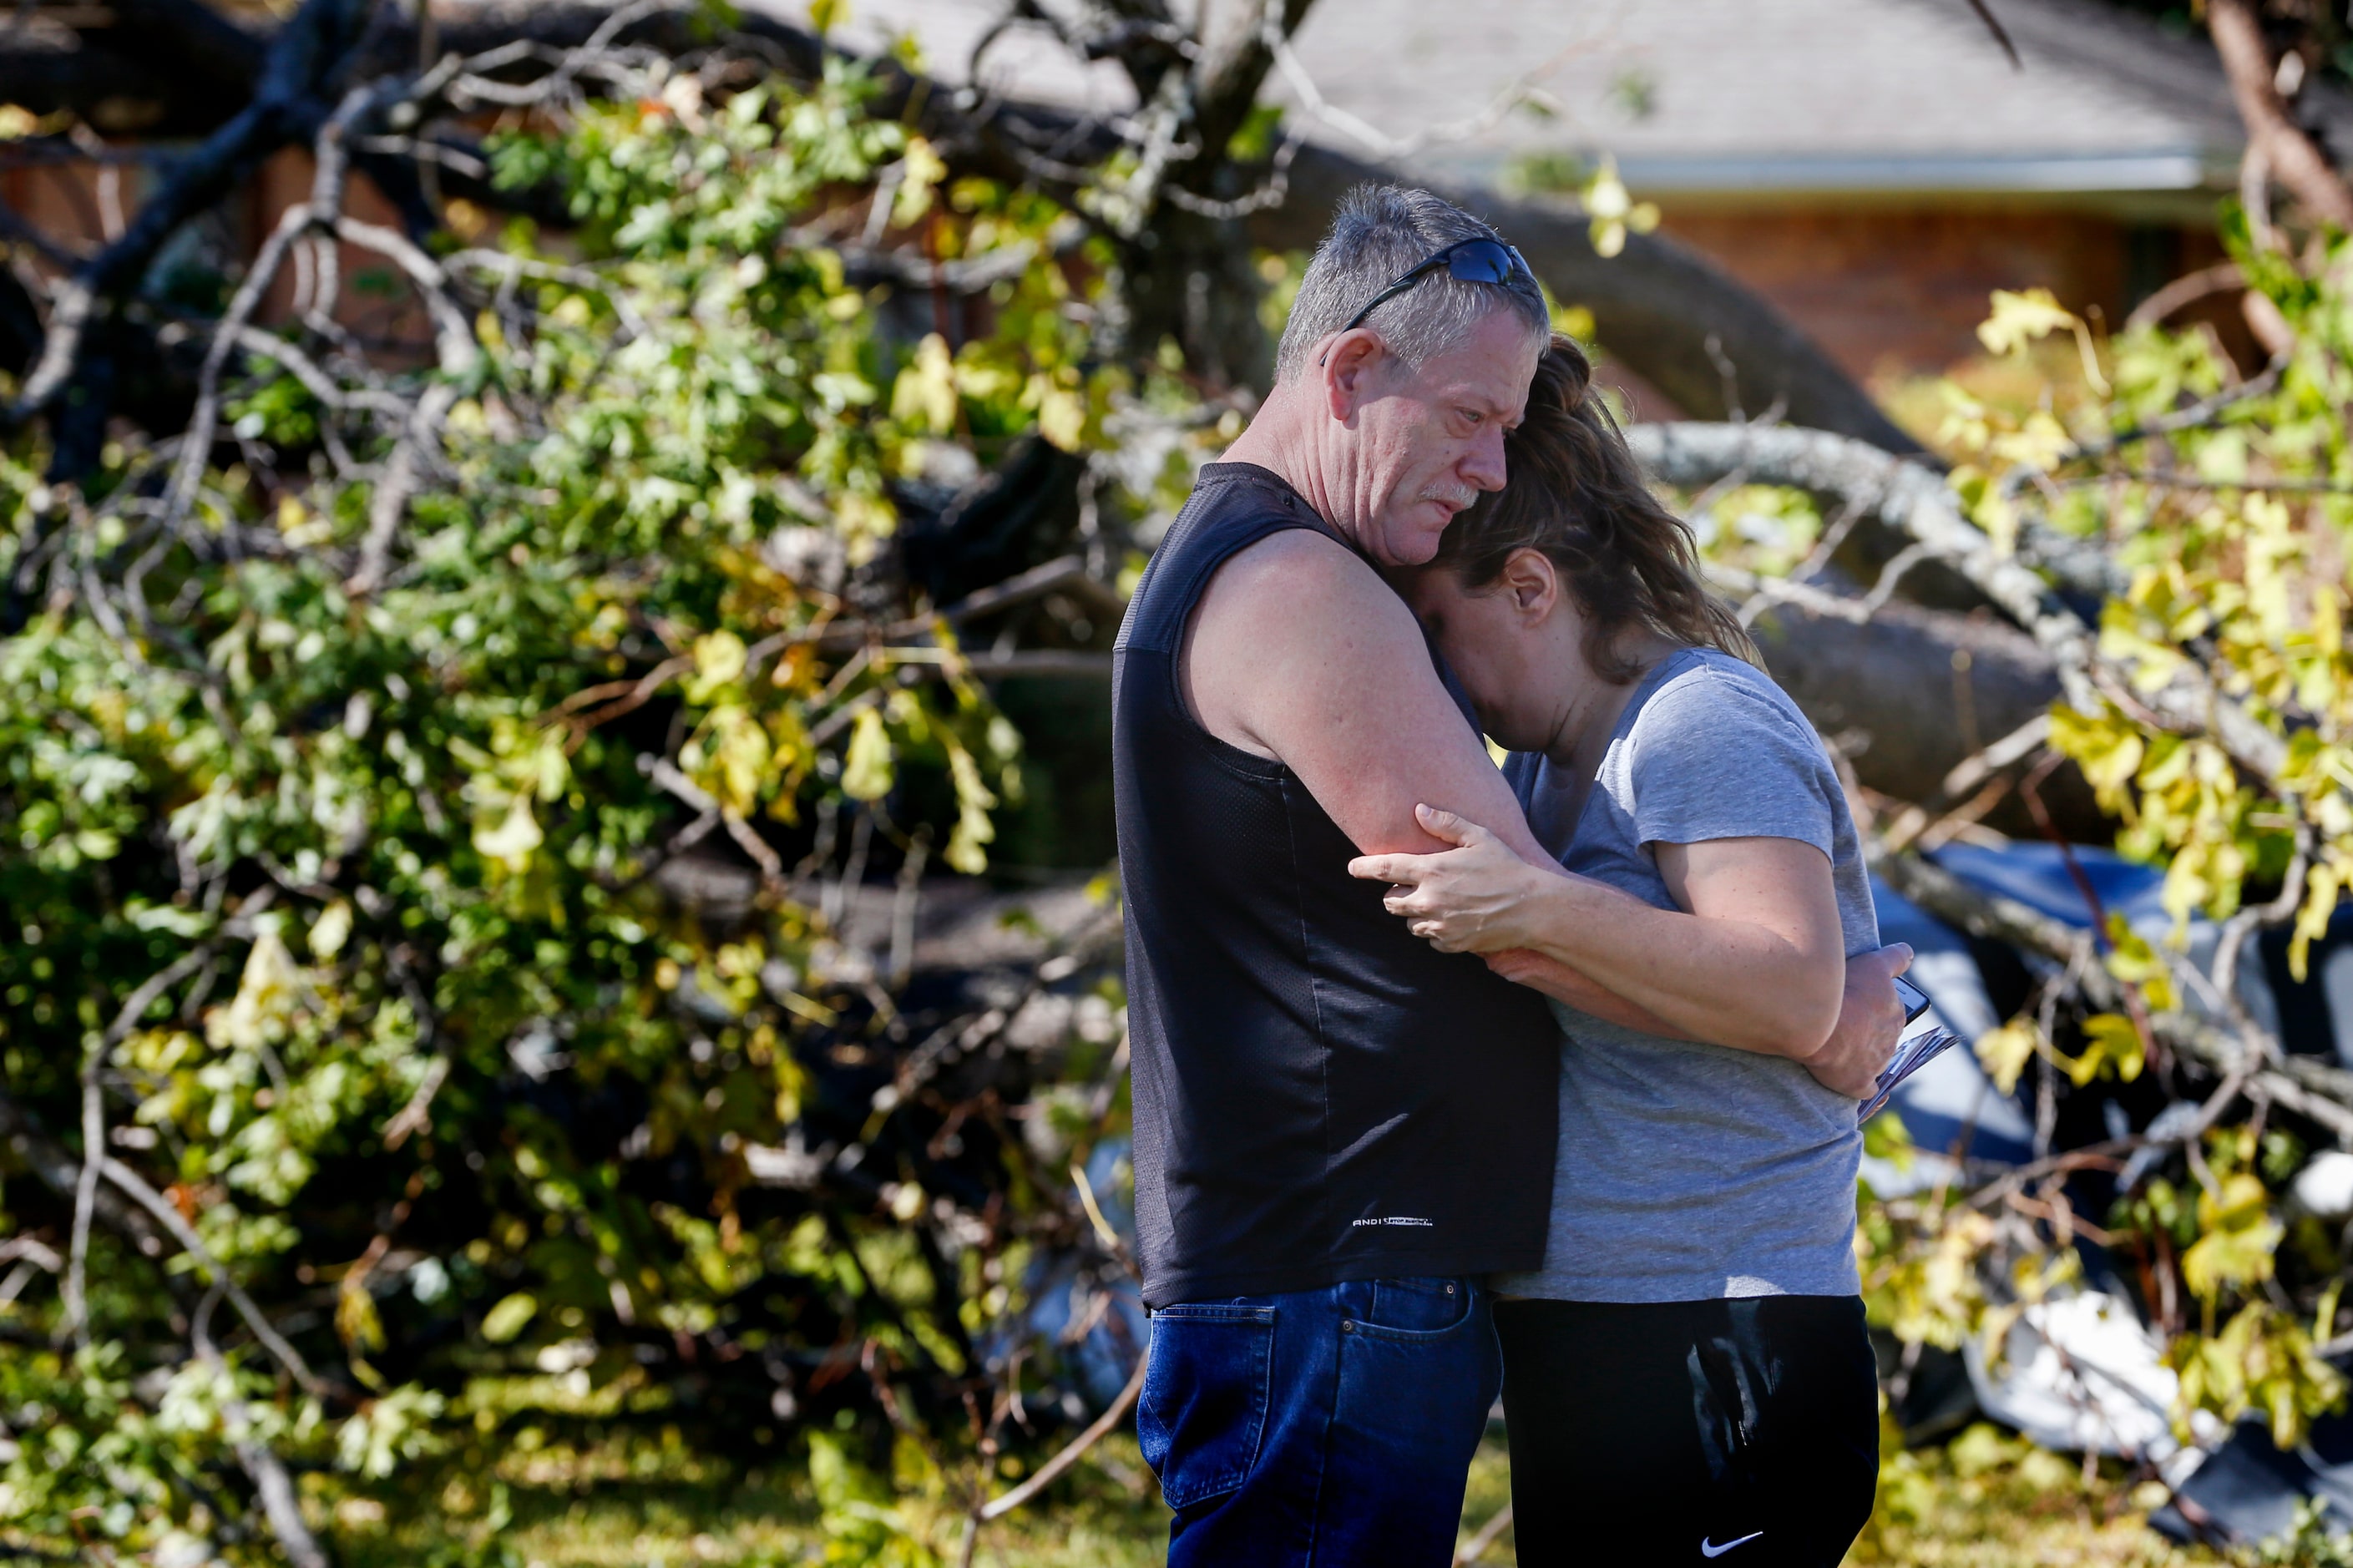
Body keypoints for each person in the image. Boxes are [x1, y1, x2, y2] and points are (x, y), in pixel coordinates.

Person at [1114, 184, 1910, 1567]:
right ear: (1351, 370)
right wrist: (1815, 1011)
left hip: (1388, 1280)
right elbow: (1519, 928)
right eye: (1471, 417)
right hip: (1333, 1276)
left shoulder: (1253, 567)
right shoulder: (1305, 590)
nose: (1487, 465)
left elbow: (1531, 913)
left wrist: (1782, 991)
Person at [1348, 335, 1907, 1566]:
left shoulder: (1695, 720)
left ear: (1532, 586)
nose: (1435, 677)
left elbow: (1792, 984)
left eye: (1441, 629)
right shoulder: (1549, 772)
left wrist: (1533, 908)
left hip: (1720, 1330)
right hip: (1604, 1335)